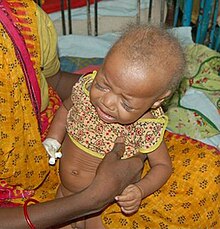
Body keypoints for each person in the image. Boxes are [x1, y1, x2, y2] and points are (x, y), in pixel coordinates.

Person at [0, 0, 146, 228]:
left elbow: (55, 81)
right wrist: (91, 200)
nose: (109, 102)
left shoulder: (21, 15)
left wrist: (134, 102)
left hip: (47, 154)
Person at [43, 24, 186, 228]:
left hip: (102, 207)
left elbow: (162, 167)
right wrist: (53, 139)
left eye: (126, 103)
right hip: (64, 194)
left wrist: (140, 190)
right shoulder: (85, 90)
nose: (107, 102)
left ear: (156, 101)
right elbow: (66, 109)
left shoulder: (145, 127)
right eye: (103, 85)